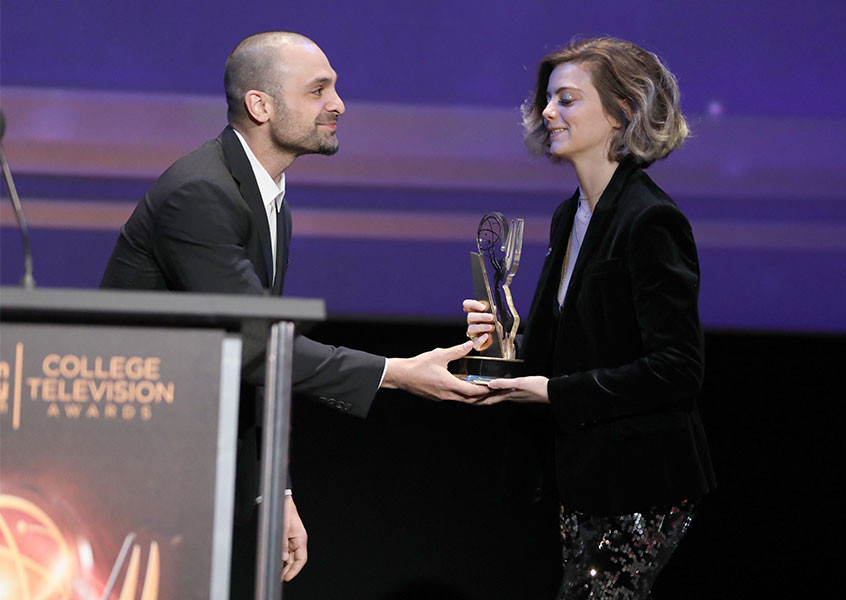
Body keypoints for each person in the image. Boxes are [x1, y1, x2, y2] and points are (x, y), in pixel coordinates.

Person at [100, 30, 488, 596]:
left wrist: (274, 489)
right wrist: (398, 373)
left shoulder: (267, 198)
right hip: (133, 465)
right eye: (318, 90)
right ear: (261, 105)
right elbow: (259, 346)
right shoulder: (201, 193)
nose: (339, 104)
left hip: (191, 465)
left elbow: (250, 362)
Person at [464, 38, 715, 599]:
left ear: (622, 112)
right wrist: (506, 342)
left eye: (567, 99)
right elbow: (579, 341)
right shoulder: (569, 215)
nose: (547, 112)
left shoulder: (650, 219)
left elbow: (677, 369)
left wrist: (554, 392)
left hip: (642, 479)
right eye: (548, 99)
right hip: (586, 474)